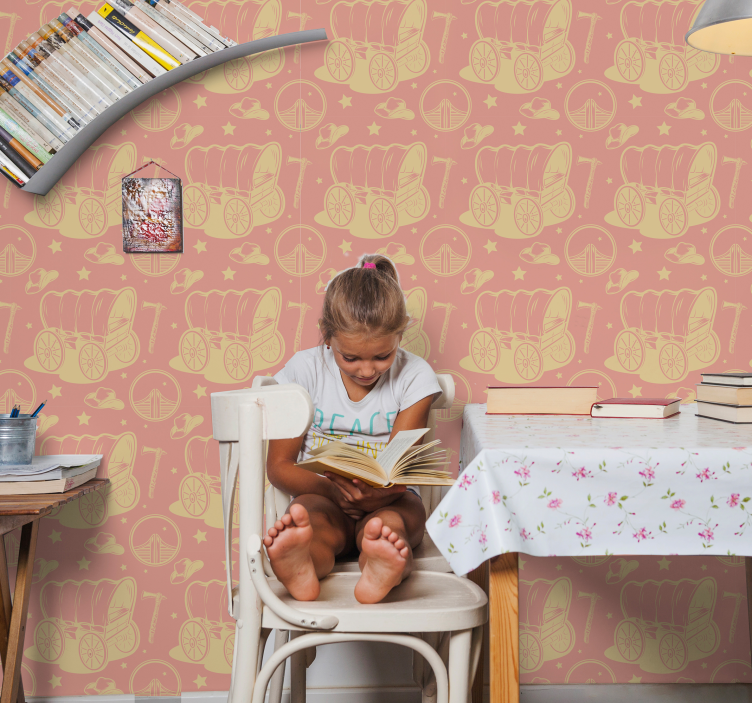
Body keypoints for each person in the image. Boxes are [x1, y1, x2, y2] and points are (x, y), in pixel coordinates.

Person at [263, 253, 442, 604]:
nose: (367, 370)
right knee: (312, 521)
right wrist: (333, 491)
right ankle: (301, 563)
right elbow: (279, 466)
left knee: (392, 526)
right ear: (328, 336)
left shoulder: (415, 376)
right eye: (351, 358)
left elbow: (400, 467)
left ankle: (381, 565)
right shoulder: (305, 370)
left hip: (390, 497)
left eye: (382, 356)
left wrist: (377, 495)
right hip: (321, 494)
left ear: (400, 334)